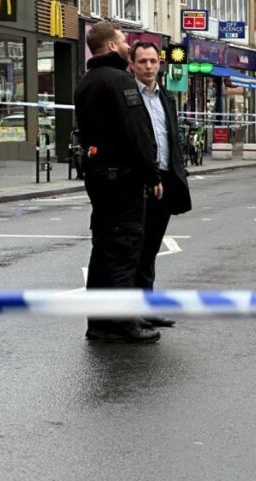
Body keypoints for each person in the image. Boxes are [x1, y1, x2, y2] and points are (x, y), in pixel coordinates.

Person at [74, 21, 162, 343]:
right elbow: (136, 132)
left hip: (98, 177)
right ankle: (124, 323)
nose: (127, 45)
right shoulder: (120, 80)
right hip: (123, 180)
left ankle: (98, 322)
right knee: (124, 251)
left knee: (102, 250)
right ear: (111, 46)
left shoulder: (86, 82)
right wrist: (151, 173)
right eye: (123, 41)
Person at [130, 41, 192, 331]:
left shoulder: (165, 96)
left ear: (160, 63)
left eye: (153, 61)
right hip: (142, 182)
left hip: (165, 180)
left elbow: (170, 137)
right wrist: (148, 175)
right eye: (142, 61)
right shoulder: (130, 96)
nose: (148, 66)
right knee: (137, 249)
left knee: (151, 249)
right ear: (132, 64)